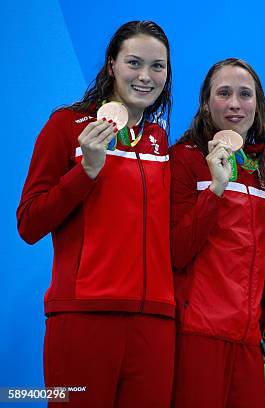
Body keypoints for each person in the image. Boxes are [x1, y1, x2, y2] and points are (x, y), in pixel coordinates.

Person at [17, 21, 175, 407]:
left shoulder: (158, 140)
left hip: (153, 324)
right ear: (111, 66)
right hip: (83, 316)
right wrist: (85, 172)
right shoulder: (65, 126)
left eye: (158, 67)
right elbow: (30, 223)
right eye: (134, 63)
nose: (145, 76)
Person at [170, 58, 265, 408]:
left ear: (258, 106)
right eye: (224, 93)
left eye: (245, 94)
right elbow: (176, 250)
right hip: (197, 334)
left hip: (247, 339)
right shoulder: (184, 160)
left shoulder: (262, 168)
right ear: (206, 102)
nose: (235, 103)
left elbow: (264, 254)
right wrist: (216, 189)